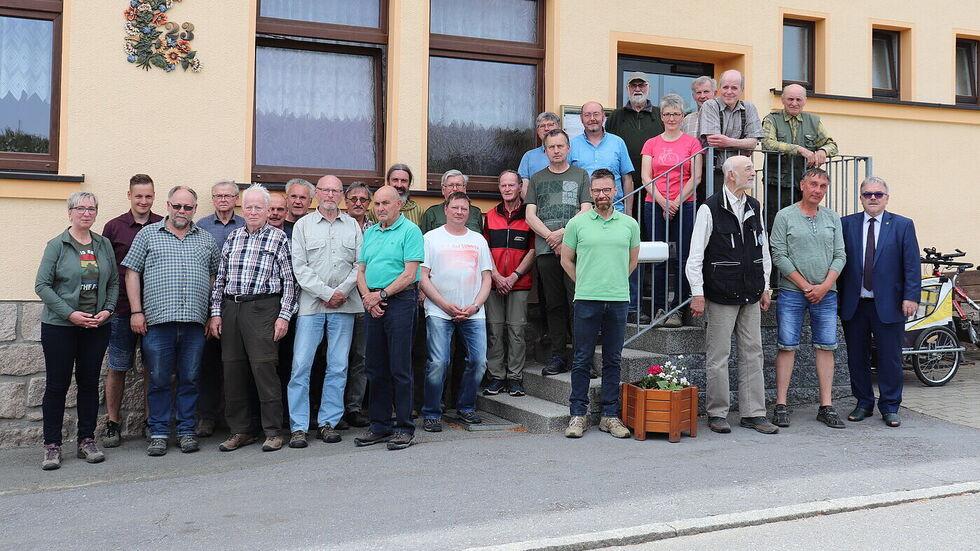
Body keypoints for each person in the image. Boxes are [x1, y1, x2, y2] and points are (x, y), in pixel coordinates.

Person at [122, 186, 221, 456]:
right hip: (157, 321)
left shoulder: (206, 239)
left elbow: (215, 279)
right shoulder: (148, 235)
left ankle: (187, 431)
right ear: (167, 206)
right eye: (177, 206)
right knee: (159, 379)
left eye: (187, 208)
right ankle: (159, 432)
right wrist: (136, 312)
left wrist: (212, 313)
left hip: (193, 323)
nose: (181, 212)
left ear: (194, 210)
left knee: (190, 378)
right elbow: (132, 273)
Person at [685, 156, 778, 435]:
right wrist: (697, 293)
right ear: (730, 176)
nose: (752, 172)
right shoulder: (709, 208)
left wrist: (766, 286)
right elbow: (695, 256)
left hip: (751, 291)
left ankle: (754, 413)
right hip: (720, 292)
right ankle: (717, 412)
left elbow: (763, 250)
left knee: (753, 353)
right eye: (747, 169)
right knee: (719, 355)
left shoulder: (754, 206)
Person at [208, 184, 297, 452]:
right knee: (233, 370)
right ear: (242, 209)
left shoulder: (279, 238)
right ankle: (240, 431)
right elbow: (220, 278)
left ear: (268, 210)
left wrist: (284, 316)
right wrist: (215, 313)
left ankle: (272, 431)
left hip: (264, 308)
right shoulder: (233, 238)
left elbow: (290, 282)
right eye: (249, 207)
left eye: (259, 207)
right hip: (232, 308)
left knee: (264, 369)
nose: (253, 211)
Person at [35, 191, 119, 470]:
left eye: (92, 209)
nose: (86, 213)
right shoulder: (57, 245)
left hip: (96, 327)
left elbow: (114, 283)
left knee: (88, 384)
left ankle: (86, 440)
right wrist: (70, 314)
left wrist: (107, 310)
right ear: (70, 212)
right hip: (60, 326)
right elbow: (42, 286)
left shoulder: (103, 244)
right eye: (81, 208)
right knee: (57, 386)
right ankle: (52, 446)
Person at [560, 169, 638, 439]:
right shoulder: (577, 223)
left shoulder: (629, 224)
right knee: (582, 358)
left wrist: (613, 281)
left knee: (613, 360)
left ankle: (609, 416)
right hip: (586, 299)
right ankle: (578, 415)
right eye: (596, 191)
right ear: (590, 193)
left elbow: (632, 261)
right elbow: (566, 259)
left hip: (617, 299)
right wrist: (584, 281)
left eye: (606, 190)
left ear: (615, 190)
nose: (602, 195)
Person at [286, 175, 363, 447]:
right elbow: (300, 267)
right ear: (316, 193)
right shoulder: (303, 226)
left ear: (342, 195)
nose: (330, 195)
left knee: (338, 366)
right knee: (301, 365)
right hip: (311, 306)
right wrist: (328, 294)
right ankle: (298, 426)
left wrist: (342, 291)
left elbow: (359, 264)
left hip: (345, 306)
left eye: (336, 191)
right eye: (326, 190)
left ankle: (328, 422)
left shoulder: (353, 226)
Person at [838, 177, 919, 428]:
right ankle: (863, 403)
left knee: (890, 357)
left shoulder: (903, 225)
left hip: (891, 304)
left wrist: (911, 296)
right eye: (867, 194)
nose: (873, 198)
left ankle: (890, 406)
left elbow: (911, 264)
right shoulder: (846, 224)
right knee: (856, 357)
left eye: (878, 194)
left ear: (887, 197)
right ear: (861, 197)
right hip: (855, 303)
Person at [769, 168, 846, 429]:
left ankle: (826, 405)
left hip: (826, 293)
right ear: (802, 184)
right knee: (787, 345)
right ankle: (781, 404)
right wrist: (805, 286)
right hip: (792, 292)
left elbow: (840, 255)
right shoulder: (785, 216)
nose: (818, 190)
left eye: (823, 186)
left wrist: (824, 286)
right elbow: (778, 254)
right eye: (813, 184)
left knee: (826, 346)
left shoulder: (832, 218)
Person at [355, 185, 424, 450]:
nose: (381, 208)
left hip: (401, 302)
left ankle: (404, 428)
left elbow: (409, 274)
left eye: (386, 203)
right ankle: (380, 426)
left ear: (399, 205)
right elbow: (360, 270)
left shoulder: (411, 231)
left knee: (399, 367)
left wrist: (380, 295)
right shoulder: (370, 233)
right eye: (378, 203)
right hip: (373, 302)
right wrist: (368, 298)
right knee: (374, 366)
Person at [419, 192, 493, 431]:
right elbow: (422, 277)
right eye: (455, 207)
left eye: (464, 208)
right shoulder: (431, 238)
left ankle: (466, 407)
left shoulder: (478, 240)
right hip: (439, 311)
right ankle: (431, 411)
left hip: (473, 312)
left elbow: (487, 278)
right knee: (439, 362)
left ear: (469, 212)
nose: (459, 212)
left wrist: (475, 305)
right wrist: (443, 304)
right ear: (446, 209)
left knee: (479, 361)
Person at [100, 174, 163, 447]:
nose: (143, 201)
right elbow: (104, 269)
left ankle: (152, 422)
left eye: (148, 196)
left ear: (154, 197)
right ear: (129, 196)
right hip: (121, 311)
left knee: (155, 369)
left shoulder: (164, 224)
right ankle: (112, 423)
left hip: (157, 310)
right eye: (138, 196)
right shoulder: (113, 228)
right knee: (117, 367)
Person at [525, 129, 592, 376]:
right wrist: (550, 237)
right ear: (545, 150)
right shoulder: (537, 178)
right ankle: (558, 356)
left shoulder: (581, 175)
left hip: (575, 249)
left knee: (578, 302)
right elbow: (530, 215)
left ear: (568, 148)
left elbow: (585, 209)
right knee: (553, 305)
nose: (556, 151)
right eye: (551, 147)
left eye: (560, 146)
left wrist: (562, 233)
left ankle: (582, 359)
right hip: (545, 249)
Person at [639, 93, 703, 327]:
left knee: (683, 257)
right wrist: (663, 201)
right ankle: (659, 308)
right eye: (667, 114)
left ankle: (678, 308)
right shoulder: (651, 143)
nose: (672, 118)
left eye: (676, 114)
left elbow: (696, 177)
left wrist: (675, 201)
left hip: (685, 204)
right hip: (653, 204)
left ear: (682, 116)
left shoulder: (692, 143)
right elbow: (646, 176)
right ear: (661, 116)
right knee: (658, 257)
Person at [195, 179, 245, 437]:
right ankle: (207, 417)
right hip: (209, 303)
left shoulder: (247, 223)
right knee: (209, 363)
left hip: (240, 304)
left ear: (236, 199)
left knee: (237, 363)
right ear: (212, 199)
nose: (223, 200)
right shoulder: (200, 227)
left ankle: (236, 418)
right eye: (218, 196)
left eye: (228, 196)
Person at [483, 170, 535, 397]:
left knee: (516, 331)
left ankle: (514, 378)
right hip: (494, 283)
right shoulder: (491, 215)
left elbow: (533, 250)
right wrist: (496, 276)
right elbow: (484, 250)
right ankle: (496, 377)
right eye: (503, 185)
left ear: (519, 187)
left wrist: (513, 276)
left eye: (511, 185)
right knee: (494, 331)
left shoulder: (529, 215)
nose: (507, 189)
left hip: (519, 282)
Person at [762, 83, 839, 231]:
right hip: (777, 184)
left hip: (804, 184)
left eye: (798, 99)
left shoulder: (814, 121)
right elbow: (767, 143)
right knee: (775, 225)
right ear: (782, 100)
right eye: (790, 99)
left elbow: (832, 145)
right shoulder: (772, 119)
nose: (794, 103)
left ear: (805, 101)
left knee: (803, 227)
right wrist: (798, 149)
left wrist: (823, 151)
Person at [698, 70, 763, 203]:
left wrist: (727, 141)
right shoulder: (710, 105)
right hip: (714, 170)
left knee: (737, 207)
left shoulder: (749, 108)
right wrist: (742, 143)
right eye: (725, 87)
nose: (729, 91)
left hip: (739, 173)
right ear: (719, 88)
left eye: (734, 88)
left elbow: (752, 143)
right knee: (715, 210)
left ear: (742, 90)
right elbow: (713, 141)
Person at [341, 181, 373, 428]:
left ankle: (354, 407)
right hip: (339, 300)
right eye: (354, 199)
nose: (358, 203)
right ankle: (333, 409)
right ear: (345, 200)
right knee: (335, 357)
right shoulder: (338, 225)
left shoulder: (376, 229)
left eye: (363, 199)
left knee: (361, 357)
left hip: (367, 301)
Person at [604, 72, 665, 202]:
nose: (637, 89)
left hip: (656, 183)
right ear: (627, 89)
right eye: (633, 85)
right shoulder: (616, 115)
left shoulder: (660, 114)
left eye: (641, 85)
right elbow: (607, 144)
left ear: (648, 88)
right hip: (623, 182)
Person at [570, 101, 635, 216]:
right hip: (583, 212)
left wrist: (628, 212)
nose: (592, 118)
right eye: (587, 115)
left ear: (603, 116)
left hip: (616, 210)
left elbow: (627, 179)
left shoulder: (618, 142)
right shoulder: (571, 145)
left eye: (596, 114)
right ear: (581, 118)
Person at [518, 112, 561, 194]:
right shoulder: (529, 156)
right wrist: (534, 205)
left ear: (559, 128)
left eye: (550, 125)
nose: (546, 129)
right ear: (537, 131)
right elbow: (523, 187)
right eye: (542, 126)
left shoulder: (570, 152)